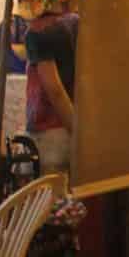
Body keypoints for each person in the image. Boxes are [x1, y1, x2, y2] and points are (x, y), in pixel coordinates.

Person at [24, 12, 79, 175]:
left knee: (50, 198)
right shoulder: (77, 23)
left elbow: (55, 91)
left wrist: (77, 135)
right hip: (68, 131)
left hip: (49, 136)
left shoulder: (38, 31)